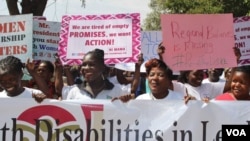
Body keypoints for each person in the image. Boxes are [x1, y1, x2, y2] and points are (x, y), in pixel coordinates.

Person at [63, 48, 127, 100]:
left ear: (103, 68)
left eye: (91, 64)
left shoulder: (118, 91)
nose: (86, 68)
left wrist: (123, 103)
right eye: (84, 64)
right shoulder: (74, 92)